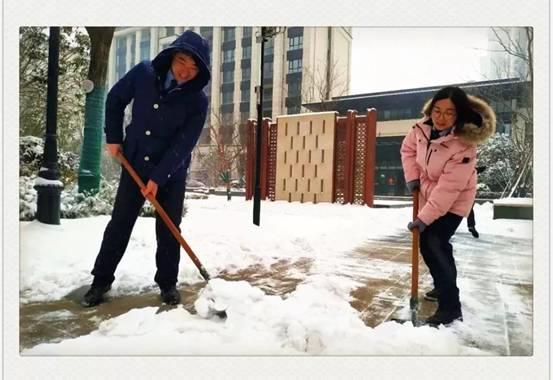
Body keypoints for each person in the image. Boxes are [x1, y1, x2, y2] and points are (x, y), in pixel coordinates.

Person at [81, 30, 211, 307]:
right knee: (120, 223)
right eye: (181, 63)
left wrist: (157, 178)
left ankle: (167, 284)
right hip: (135, 163)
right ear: (172, 57)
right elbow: (115, 99)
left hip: (171, 172)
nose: (185, 72)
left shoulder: (198, 101)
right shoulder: (143, 73)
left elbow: (185, 142)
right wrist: (113, 137)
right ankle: (101, 280)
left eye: (193, 67)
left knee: (168, 227)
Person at [401, 86, 495, 326]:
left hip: (454, 200)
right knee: (436, 245)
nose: (441, 118)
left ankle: (451, 306)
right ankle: (443, 285)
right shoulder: (421, 129)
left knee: (433, 242)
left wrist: (424, 218)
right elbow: (408, 150)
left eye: (449, 113)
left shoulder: (464, 144)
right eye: (437, 111)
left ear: (460, 115)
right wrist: (413, 178)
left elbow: (448, 189)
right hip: (429, 192)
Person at [466, 166, 487, 238]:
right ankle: (471, 225)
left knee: (452, 212)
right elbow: (476, 170)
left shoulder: (458, 168)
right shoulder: (470, 170)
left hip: (458, 193)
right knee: (470, 210)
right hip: (467, 193)